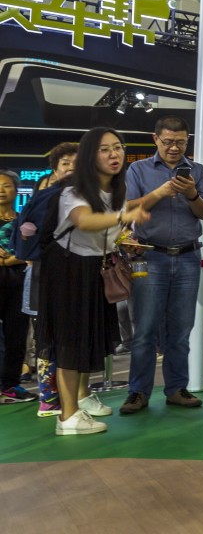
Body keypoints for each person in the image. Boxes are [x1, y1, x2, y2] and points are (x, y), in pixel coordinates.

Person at [34, 128, 150, 434]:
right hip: (67, 270)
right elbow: (84, 220)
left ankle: (79, 402)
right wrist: (124, 217)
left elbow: (108, 225)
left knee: (86, 339)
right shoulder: (74, 191)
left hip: (91, 268)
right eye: (104, 149)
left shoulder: (113, 191)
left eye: (118, 147)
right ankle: (67, 416)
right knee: (70, 342)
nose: (114, 154)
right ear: (89, 155)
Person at [120, 116, 203, 415]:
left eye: (181, 142)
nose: (174, 148)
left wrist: (191, 194)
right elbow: (130, 209)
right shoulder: (138, 169)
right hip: (149, 256)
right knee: (145, 329)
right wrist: (161, 192)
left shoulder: (197, 171)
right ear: (155, 139)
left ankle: (176, 388)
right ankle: (138, 392)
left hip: (188, 257)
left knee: (181, 329)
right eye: (169, 141)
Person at [21, 142, 78, 416]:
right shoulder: (42, 198)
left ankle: (72, 399)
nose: (71, 168)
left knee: (69, 338)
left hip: (74, 278)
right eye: (66, 163)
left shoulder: (88, 197)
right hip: (44, 277)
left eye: (77, 163)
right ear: (55, 168)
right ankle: (48, 398)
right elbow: (25, 244)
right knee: (45, 338)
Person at [0, 170, 33, 403]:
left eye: (7, 185)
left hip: (19, 281)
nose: (1, 190)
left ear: (16, 189)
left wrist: (12, 259)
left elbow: (34, 249)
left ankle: (10, 385)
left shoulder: (24, 219)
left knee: (17, 335)